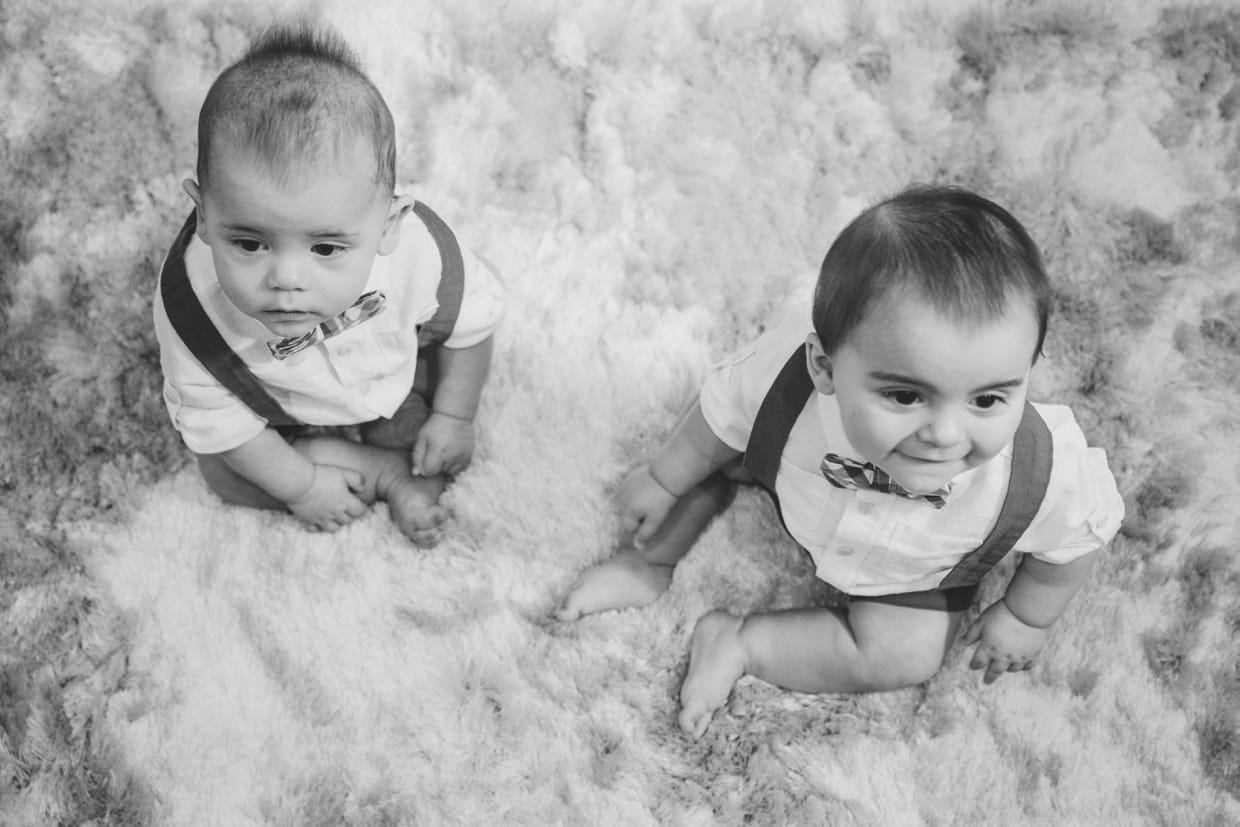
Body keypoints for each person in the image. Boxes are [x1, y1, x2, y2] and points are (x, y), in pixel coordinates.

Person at [557, 185, 1124, 738]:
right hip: (796, 482)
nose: (946, 435)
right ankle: (645, 564)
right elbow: (719, 413)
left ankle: (742, 643)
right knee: (698, 463)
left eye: (988, 399)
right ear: (824, 367)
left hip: (915, 571)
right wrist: (661, 477)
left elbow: (1082, 533)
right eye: (906, 396)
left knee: (904, 656)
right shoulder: (785, 381)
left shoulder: (1041, 472)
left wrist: (1026, 615)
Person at [153, 24, 503, 547]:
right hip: (276, 406)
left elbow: (473, 322)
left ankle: (386, 452)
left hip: (386, 373)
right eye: (249, 243)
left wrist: (456, 415)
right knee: (224, 470)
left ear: (388, 225)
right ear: (203, 215)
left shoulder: (421, 254)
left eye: (326, 248)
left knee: (434, 433)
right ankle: (382, 472)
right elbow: (219, 416)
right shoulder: (190, 310)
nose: (287, 280)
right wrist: (303, 486)